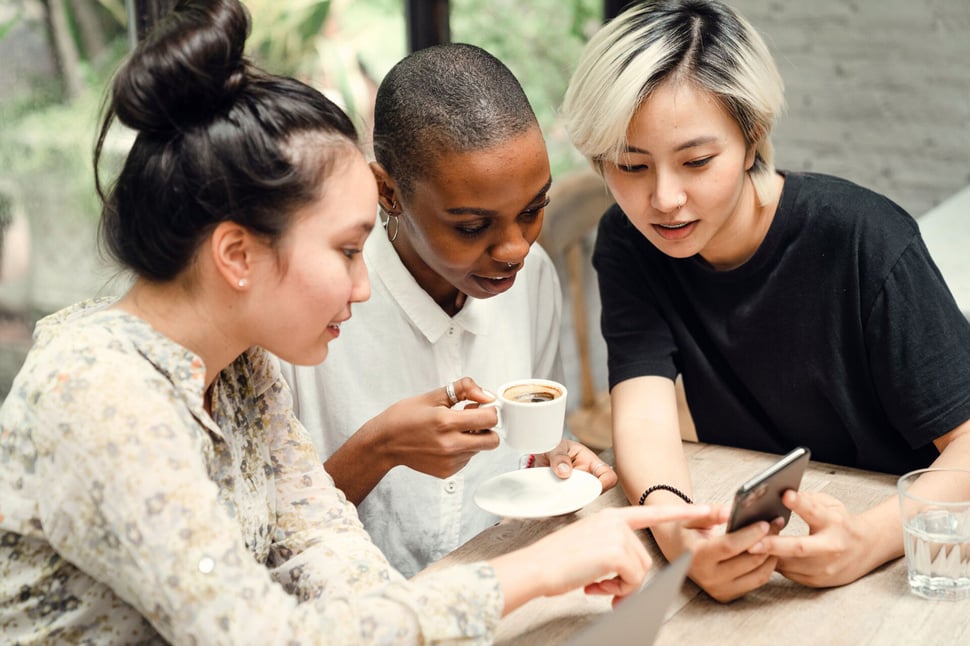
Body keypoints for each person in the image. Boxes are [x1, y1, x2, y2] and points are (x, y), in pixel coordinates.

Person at [0, 1, 726, 643]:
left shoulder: (242, 371)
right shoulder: (98, 391)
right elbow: (261, 634)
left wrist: (541, 571)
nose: (363, 282)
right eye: (349, 250)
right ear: (236, 253)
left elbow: (327, 558)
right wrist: (533, 573)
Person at [560, 0, 970, 602]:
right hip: (763, 529)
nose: (664, 199)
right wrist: (680, 539)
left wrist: (867, 539)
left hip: (914, 548)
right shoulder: (630, 241)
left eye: (697, 161)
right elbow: (643, 412)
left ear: (753, 138)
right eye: (631, 165)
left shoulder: (864, 237)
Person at [281, 43, 617, 577]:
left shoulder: (534, 282)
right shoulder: (310, 312)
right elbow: (265, 545)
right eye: (471, 226)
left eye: (533, 211)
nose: (515, 250)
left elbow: (530, 455)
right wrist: (377, 449)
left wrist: (554, 458)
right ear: (387, 191)